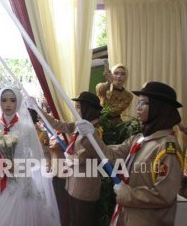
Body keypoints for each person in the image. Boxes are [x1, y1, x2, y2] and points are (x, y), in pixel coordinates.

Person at [76, 81, 184, 226]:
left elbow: (164, 195)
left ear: (160, 107)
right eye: (138, 103)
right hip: (126, 216)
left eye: (143, 103)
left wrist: (127, 193)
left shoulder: (167, 148)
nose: (137, 108)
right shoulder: (139, 139)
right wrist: (91, 136)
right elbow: (110, 155)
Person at [0, 86, 60, 226]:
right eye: (4, 100)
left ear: (18, 102)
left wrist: (20, 165)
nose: (8, 104)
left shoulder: (26, 128)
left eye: (12, 100)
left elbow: (38, 159)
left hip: (19, 182)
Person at [33, 91, 103, 226]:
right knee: (74, 220)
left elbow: (85, 155)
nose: (75, 110)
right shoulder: (80, 126)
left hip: (85, 187)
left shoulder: (94, 130)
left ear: (88, 109)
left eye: (78, 107)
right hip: (74, 184)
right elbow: (57, 124)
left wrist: (70, 157)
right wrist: (37, 108)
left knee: (83, 221)